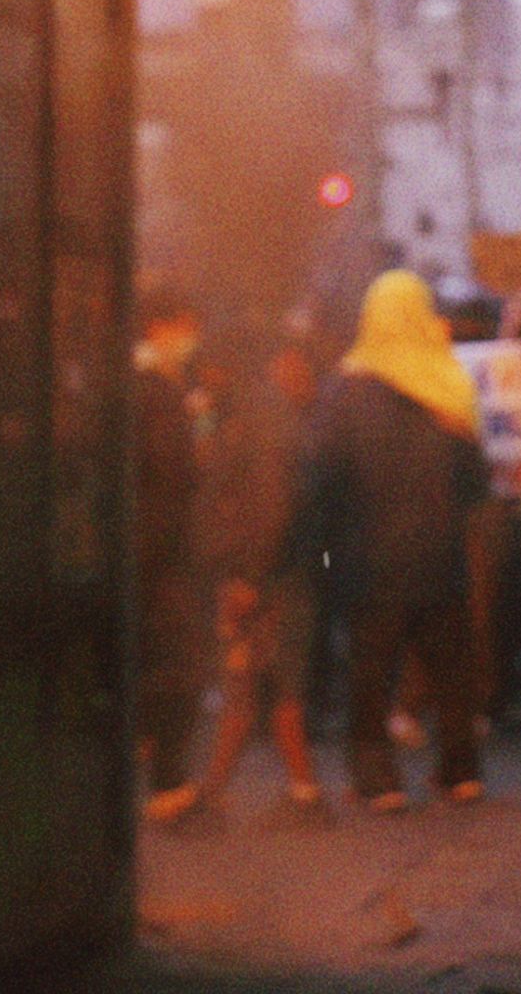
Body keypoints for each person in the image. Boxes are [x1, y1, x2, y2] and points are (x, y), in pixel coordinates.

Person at [306, 270, 488, 809]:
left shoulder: (346, 390)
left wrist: (324, 553)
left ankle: (378, 778)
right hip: (440, 556)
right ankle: (460, 770)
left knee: (371, 675)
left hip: (370, 560)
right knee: (451, 671)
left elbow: (324, 475)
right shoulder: (448, 381)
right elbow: (474, 480)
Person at [195, 337, 324, 810]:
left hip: (267, 578)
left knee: (252, 683)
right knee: (263, 684)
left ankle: (287, 792)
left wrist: (247, 576)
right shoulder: (272, 417)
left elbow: (271, 505)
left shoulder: (261, 420)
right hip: (278, 574)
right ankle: (294, 790)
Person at [134, 286, 205, 822]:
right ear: (159, 327)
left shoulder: (142, 385)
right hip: (161, 548)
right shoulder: (156, 391)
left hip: (143, 548)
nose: (190, 337)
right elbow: (172, 472)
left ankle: (156, 764)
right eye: (183, 324)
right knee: (175, 663)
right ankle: (167, 783)